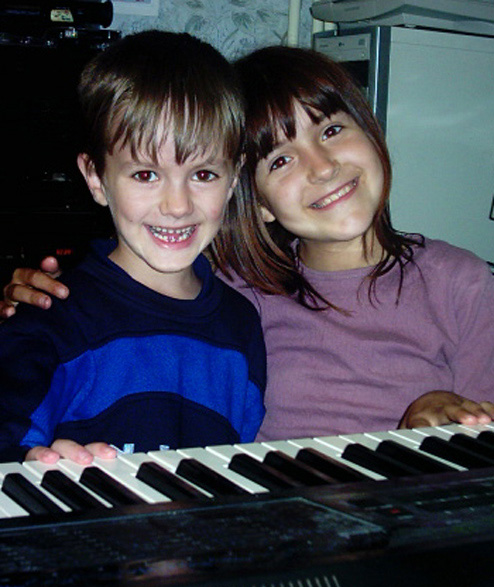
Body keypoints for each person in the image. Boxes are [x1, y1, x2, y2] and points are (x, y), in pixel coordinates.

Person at [3, 45, 494, 440]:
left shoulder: (460, 283)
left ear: (371, 129)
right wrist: (21, 303)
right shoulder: (239, 292)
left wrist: (443, 415)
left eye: (332, 129)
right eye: (280, 159)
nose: (322, 167)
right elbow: (134, 292)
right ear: (253, 199)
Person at [0, 30, 266, 465]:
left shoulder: (242, 326)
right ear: (95, 177)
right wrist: (33, 464)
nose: (177, 206)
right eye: (145, 174)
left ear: (234, 178)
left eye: (203, 175)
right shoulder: (50, 316)